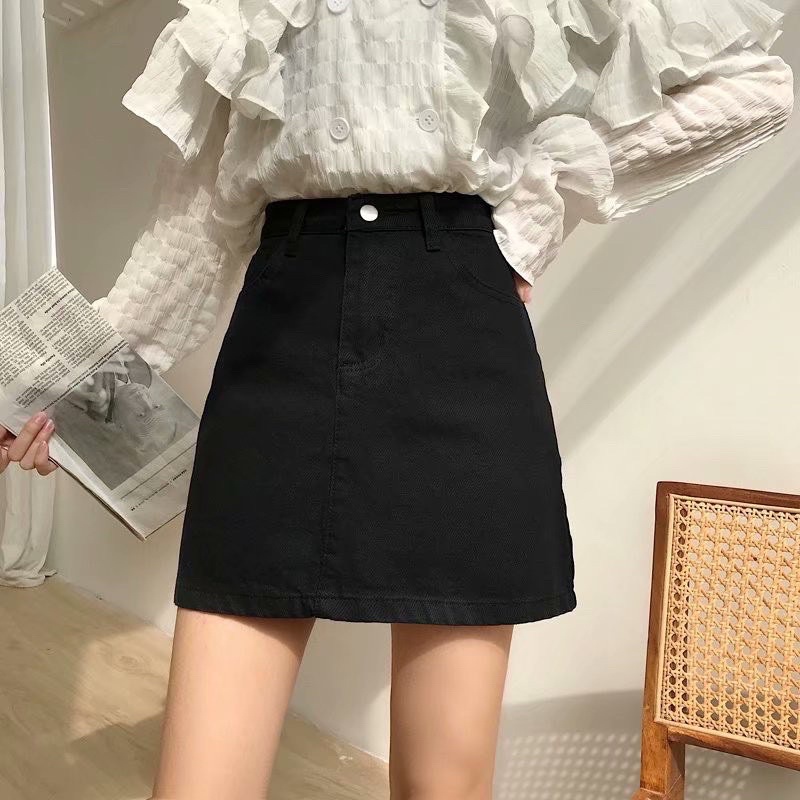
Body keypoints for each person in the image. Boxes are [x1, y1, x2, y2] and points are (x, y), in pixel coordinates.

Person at [2, 1, 793, 797]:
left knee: (442, 788)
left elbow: (751, 86)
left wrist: (532, 211)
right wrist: (42, 388)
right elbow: (190, 229)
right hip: (280, 355)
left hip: (459, 349)